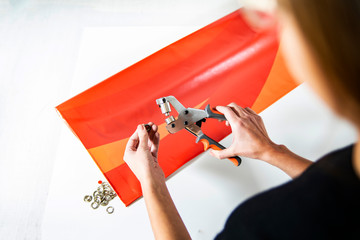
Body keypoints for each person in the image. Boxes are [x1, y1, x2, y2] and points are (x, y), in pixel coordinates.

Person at [123, 0, 360, 239]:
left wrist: (151, 182)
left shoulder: (258, 225)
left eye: (285, 24)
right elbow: (338, 192)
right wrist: (272, 151)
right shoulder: (347, 167)